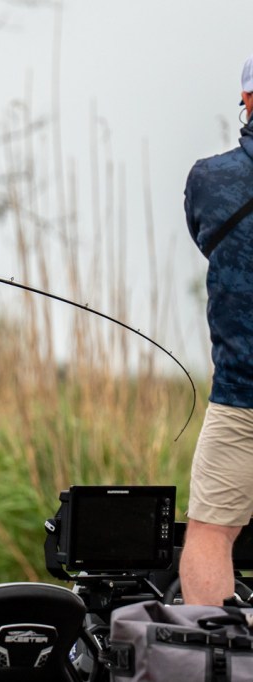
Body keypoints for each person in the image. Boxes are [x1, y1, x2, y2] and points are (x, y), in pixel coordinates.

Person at [179, 52, 253, 606]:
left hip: (241, 395)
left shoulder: (210, 179)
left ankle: (213, 646)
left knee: (210, 531)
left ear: (248, 101)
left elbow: (206, 238)